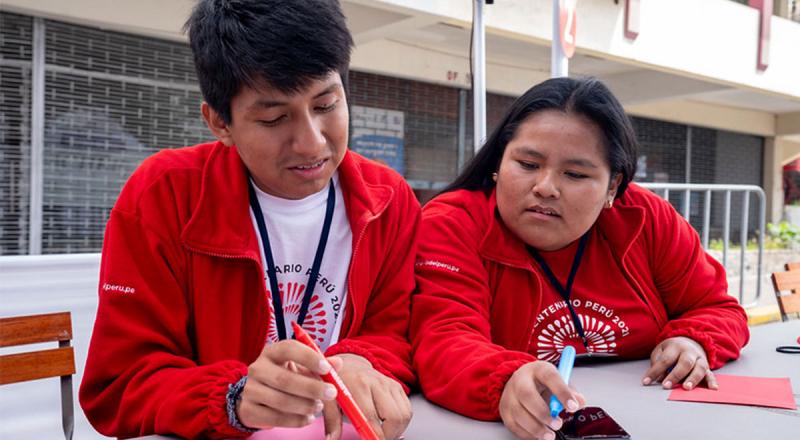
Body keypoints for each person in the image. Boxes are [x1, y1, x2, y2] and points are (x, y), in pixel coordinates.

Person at [79, 1, 418, 438]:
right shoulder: (165, 195)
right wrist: (232, 398)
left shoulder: (388, 200)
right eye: (274, 118)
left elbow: (399, 334)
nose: (311, 143)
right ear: (219, 123)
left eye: (326, 105)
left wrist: (362, 359)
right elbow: (119, 384)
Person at [410, 77, 749, 440]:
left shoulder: (646, 219)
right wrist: (506, 379)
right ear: (498, 162)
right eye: (527, 164)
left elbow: (716, 307)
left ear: (613, 185)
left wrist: (693, 342)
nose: (545, 187)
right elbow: (444, 339)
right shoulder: (452, 224)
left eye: (574, 174)